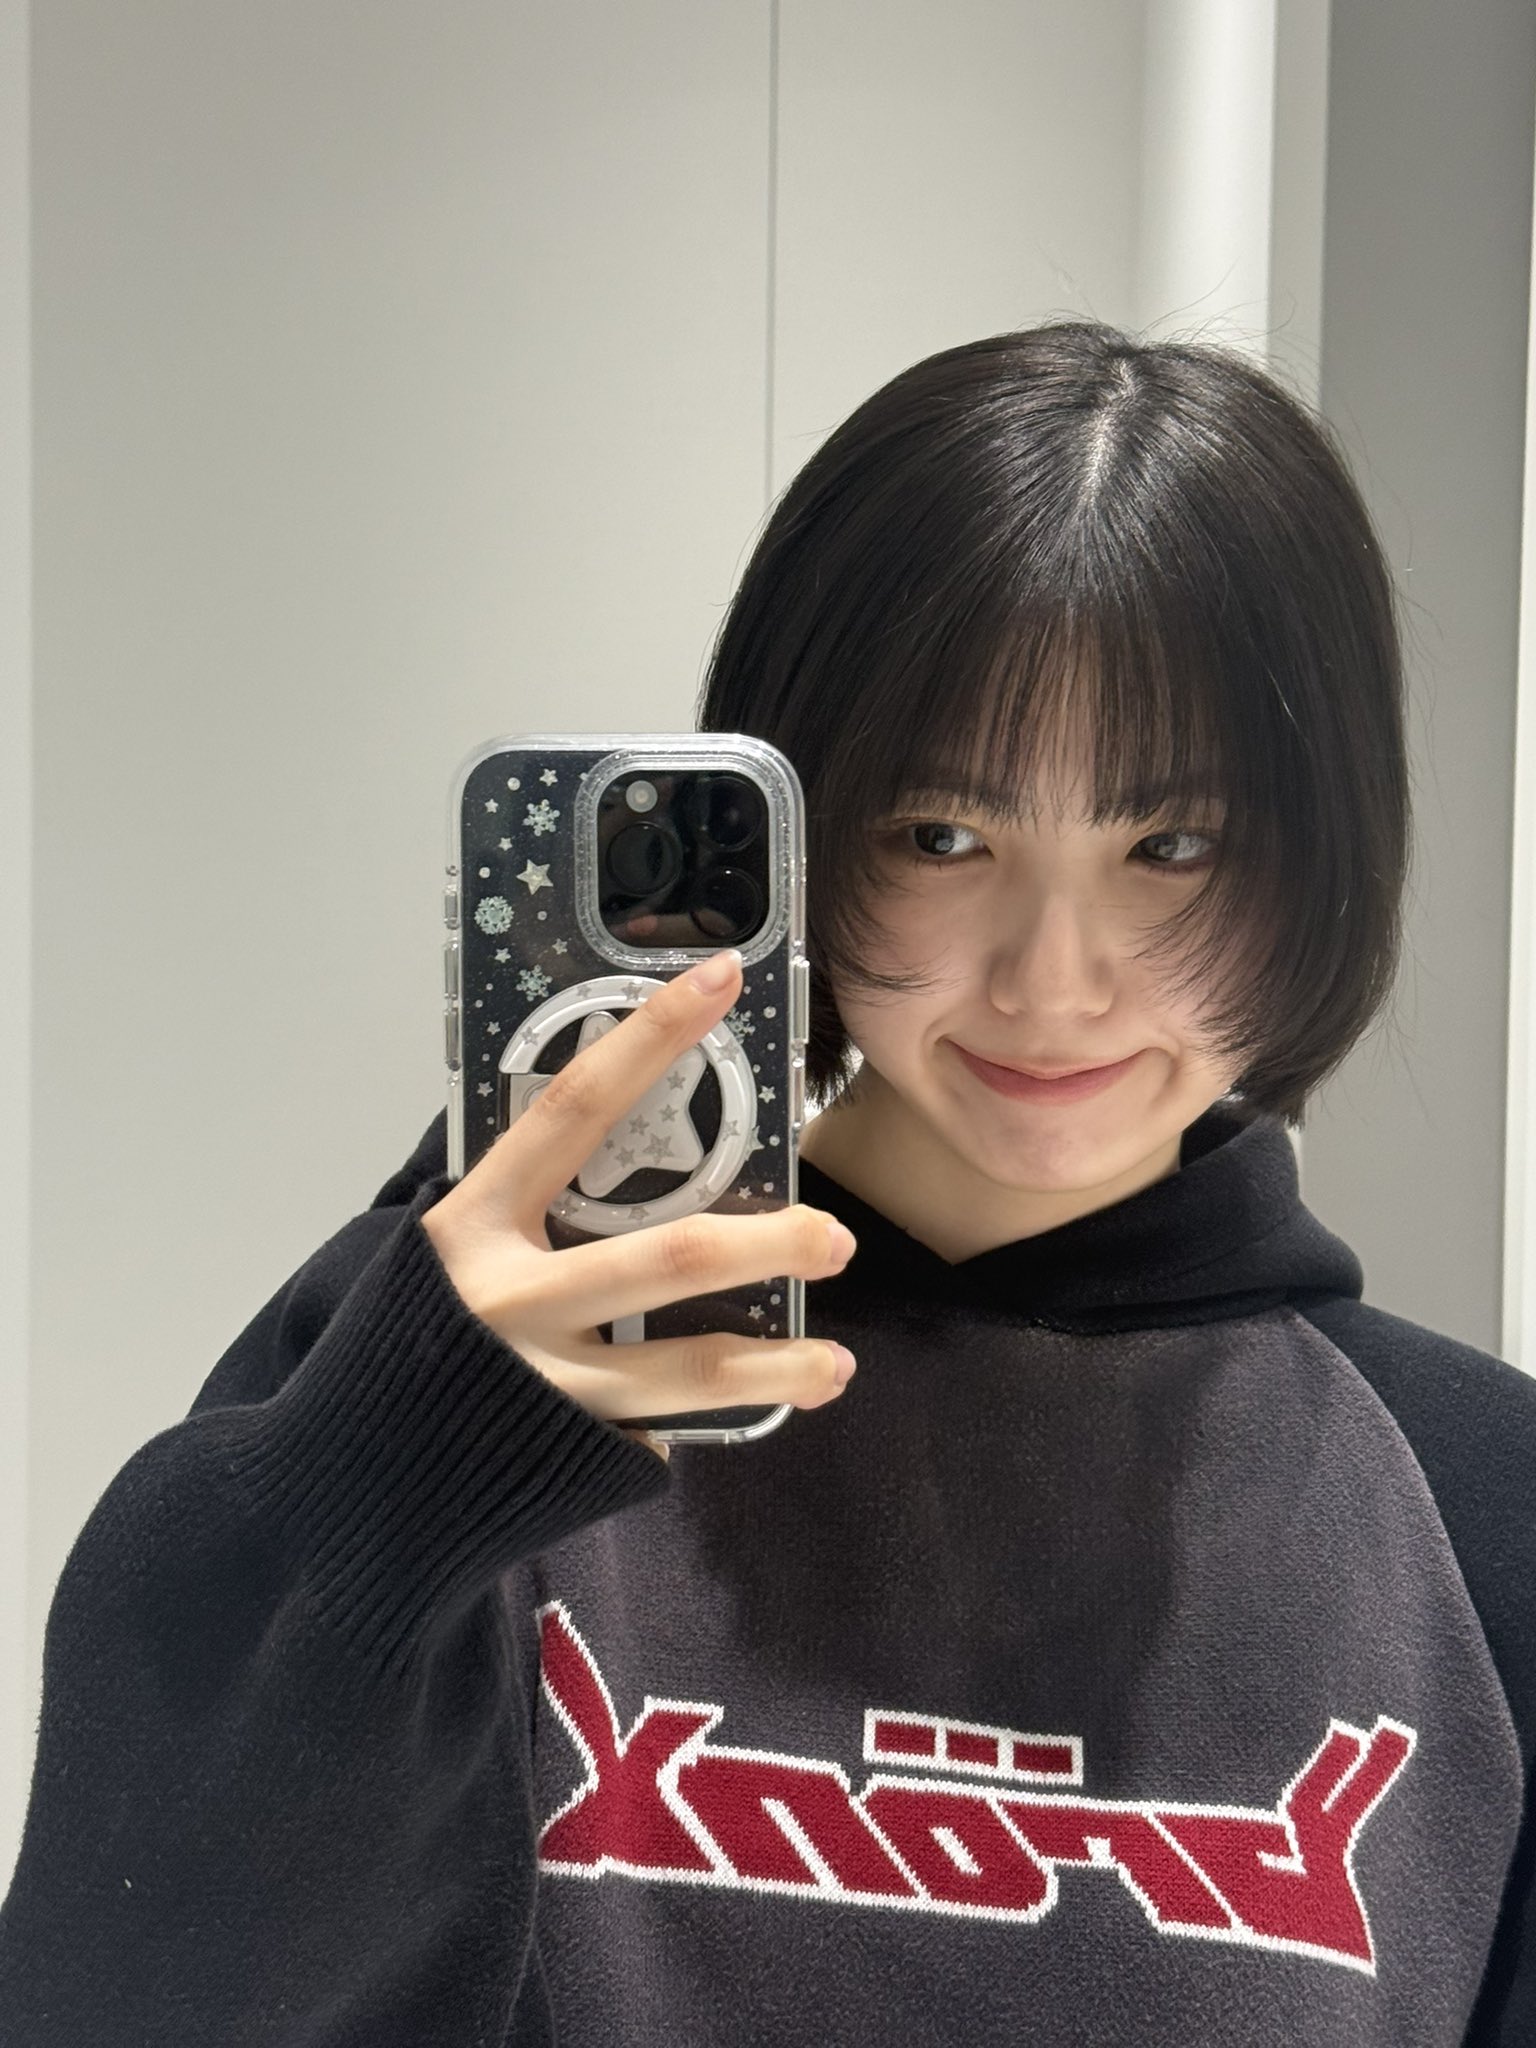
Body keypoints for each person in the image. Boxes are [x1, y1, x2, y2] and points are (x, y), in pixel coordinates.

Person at [1, 322, 1531, 2046]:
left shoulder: (1483, 1515)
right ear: (804, 827)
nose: (1053, 981)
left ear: (1328, 859)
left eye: (1170, 848)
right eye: (943, 836)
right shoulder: (477, 1348)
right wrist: (396, 1480)